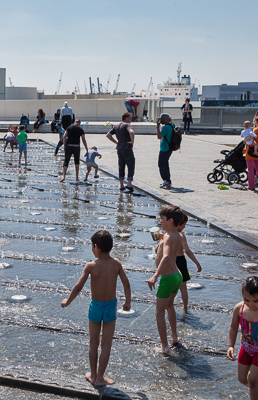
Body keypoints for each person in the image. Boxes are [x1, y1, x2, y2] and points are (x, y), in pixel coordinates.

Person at [61, 230, 131, 387]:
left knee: (94, 342)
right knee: (106, 344)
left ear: (96, 247)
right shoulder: (116, 263)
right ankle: (100, 377)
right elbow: (126, 284)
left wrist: (68, 301)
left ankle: (93, 376)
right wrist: (128, 302)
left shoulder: (91, 266)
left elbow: (78, 286)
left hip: (96, 306)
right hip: (110, 306)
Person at [146, 206, 186, 353]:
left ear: (170, 220)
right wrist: (162, 239)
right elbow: (170, 243)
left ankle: (164, 346)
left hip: (167, 277)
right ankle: (174, 337)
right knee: (170, 306)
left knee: (159, 312)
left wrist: (155, 276)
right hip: (177, 276)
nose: (160, 221)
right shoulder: (176, 235)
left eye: (162, 219)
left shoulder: (168, 237)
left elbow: (167, 257)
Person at [176, 215, 202, 312]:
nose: (184, 227)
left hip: (170, 261)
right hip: (180, 261)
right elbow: (187, 250)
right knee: (183, 287)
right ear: (178, 224)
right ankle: (185, 307)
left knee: (170, 286)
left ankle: (167, 305)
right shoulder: (181, 236)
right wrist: (197, 263)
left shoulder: (167, 235)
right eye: (184, 225)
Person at [106, 112, 135, 192]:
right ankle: (129, 184)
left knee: (121, 166)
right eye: (130, 117)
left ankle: (121, 185)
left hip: (119, 149)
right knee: (131, 165)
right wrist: (132, 142)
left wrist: (116, 142)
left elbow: (108, 135)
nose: (131, 119)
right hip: (127, 148)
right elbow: (132, 133)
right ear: (126, 118)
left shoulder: (116, 126)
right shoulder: (127, 125)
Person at [157, 113, 174, 189]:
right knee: (166, 164)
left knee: (161, 164)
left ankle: (166, 180)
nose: (160, 121)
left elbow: (159, 136)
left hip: (164, 148)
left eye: (161, 119)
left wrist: (157, 127)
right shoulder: (172, 125)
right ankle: (168, 181)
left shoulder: (166, 127)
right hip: (170, 148)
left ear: (165, 119)